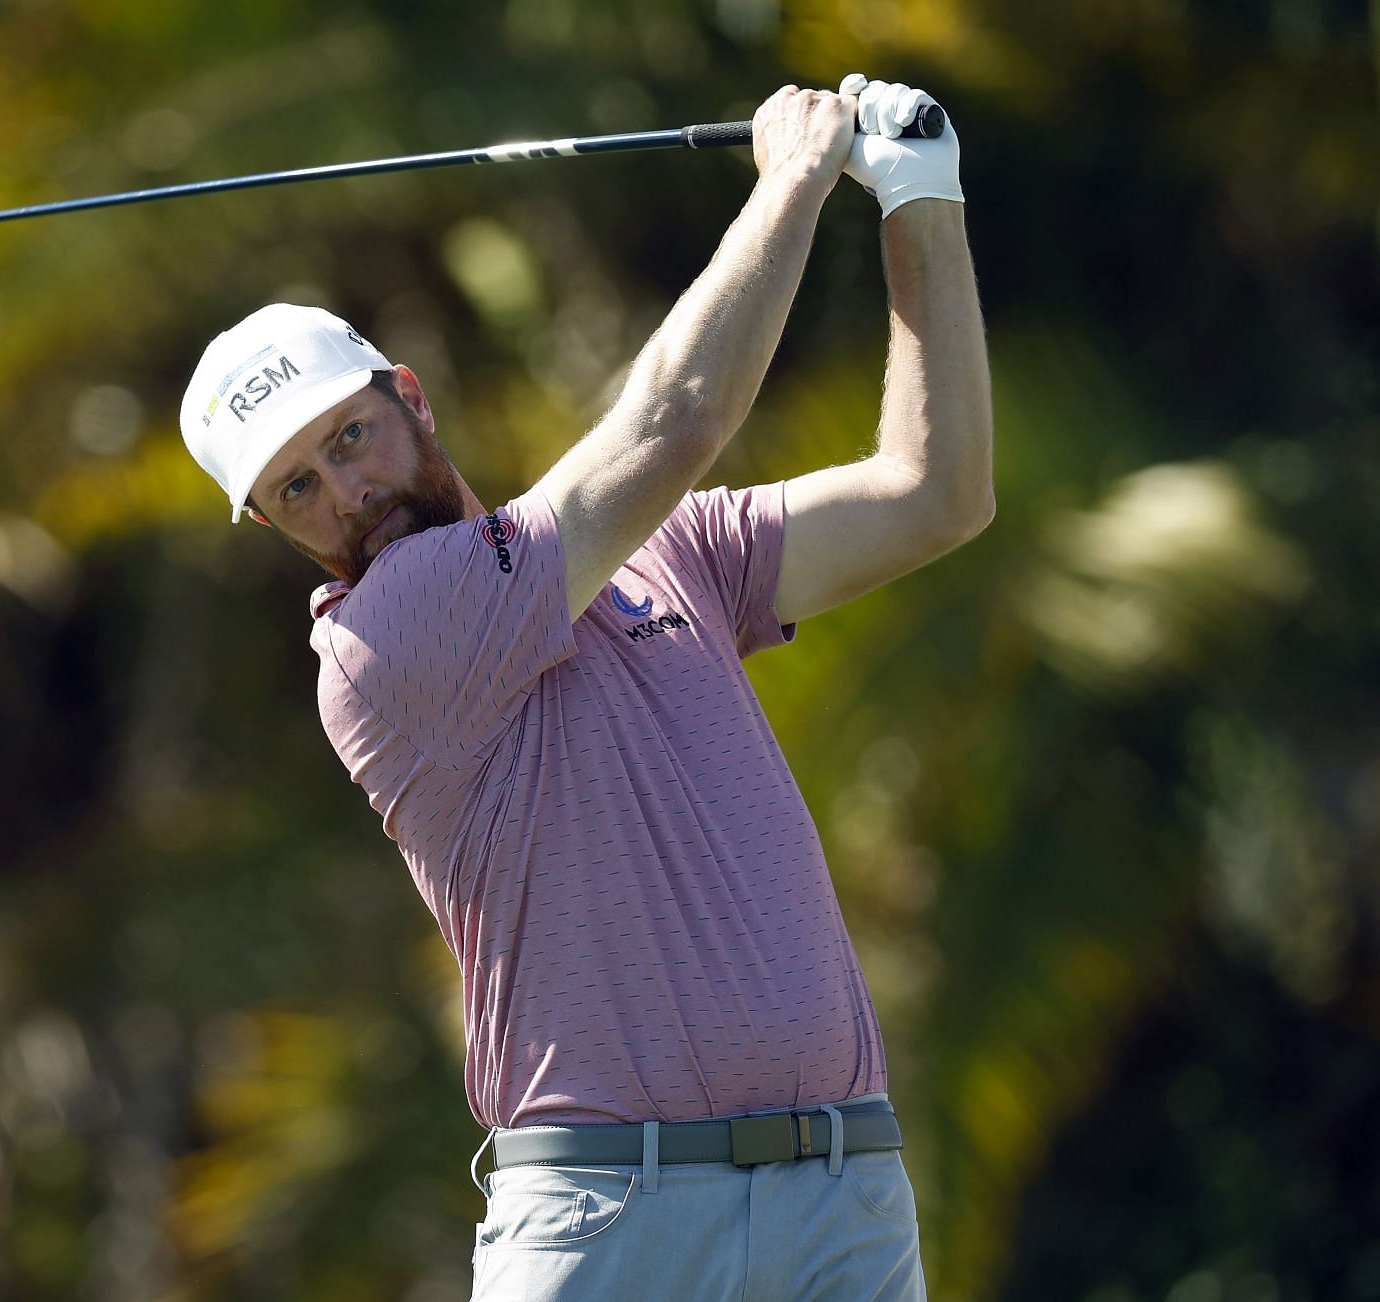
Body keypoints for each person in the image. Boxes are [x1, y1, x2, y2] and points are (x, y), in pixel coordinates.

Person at [178, 73, 990, 1301]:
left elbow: (938, 493)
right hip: (615, 1218)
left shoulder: (673, 553)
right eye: (296, 488)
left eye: (349, 439)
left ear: (412, 396)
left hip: (841, 1192)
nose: (344, 494)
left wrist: (921, 196)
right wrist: (794, 180)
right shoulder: (381, 641)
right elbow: (679, 414)